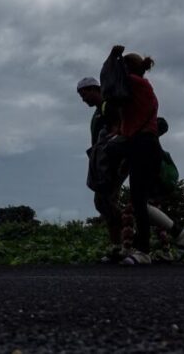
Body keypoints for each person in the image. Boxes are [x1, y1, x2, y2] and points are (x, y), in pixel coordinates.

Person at [109, 46, 184, 265]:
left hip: (143, 145)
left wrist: (112, 57)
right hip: (143, 146)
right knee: (139, 202)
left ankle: (143, 251)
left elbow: (110, 79)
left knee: (138, 200)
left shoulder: (136, 83)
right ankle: (180, 234)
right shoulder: (140, 87)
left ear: (127, 69)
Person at [78, 77, 125, 263]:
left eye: (84, 94)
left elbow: (117, 129)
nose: (83, 100)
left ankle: (127, 239)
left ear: (93, 89)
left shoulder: (108, 106)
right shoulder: (99, 111)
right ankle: (118, 245)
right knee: (105, 202)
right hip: (103, 162)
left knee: (104, 200)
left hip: (111, 163)